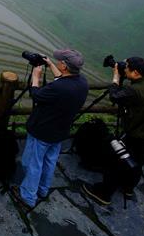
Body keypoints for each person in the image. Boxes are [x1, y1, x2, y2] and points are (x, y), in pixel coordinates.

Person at [82, 56, 144, 206]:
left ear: (136, 73)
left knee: (117, 162)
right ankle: (128, 188)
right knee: (138, 162)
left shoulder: (135, 90)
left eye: (127, 68)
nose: (124, 69)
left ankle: (103, 194)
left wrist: (116, 76)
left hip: (138, 135)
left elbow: (115, 95)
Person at [12, 49, 88, 209]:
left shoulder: (59, 88)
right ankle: (43, 190)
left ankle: (27, 196)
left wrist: (35, 78)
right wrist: (51, 65)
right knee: (49, 161)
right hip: (59, 131)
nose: (58, 62)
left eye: (59, 61)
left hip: (42, 131)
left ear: (65, 66)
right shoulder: (81, 83)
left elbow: (37, 95)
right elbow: (63, 80)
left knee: (33, 163)